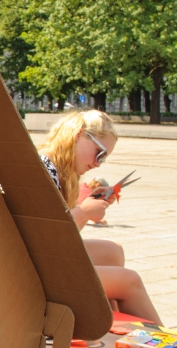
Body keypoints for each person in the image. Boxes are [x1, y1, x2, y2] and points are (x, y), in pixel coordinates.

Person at [39, 109, 163, 324]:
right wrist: (83, 212)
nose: (98, 163)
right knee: (129, 281)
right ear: (78, 134)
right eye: (99, 152)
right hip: (33, 266)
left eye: (103, 158)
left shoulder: (58, 169)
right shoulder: (42, 167)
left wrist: (86, 213)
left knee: (112, 252)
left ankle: (109, 325)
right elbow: (45, 237)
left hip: (43, 257)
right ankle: (162, 343)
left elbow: (63, 236)